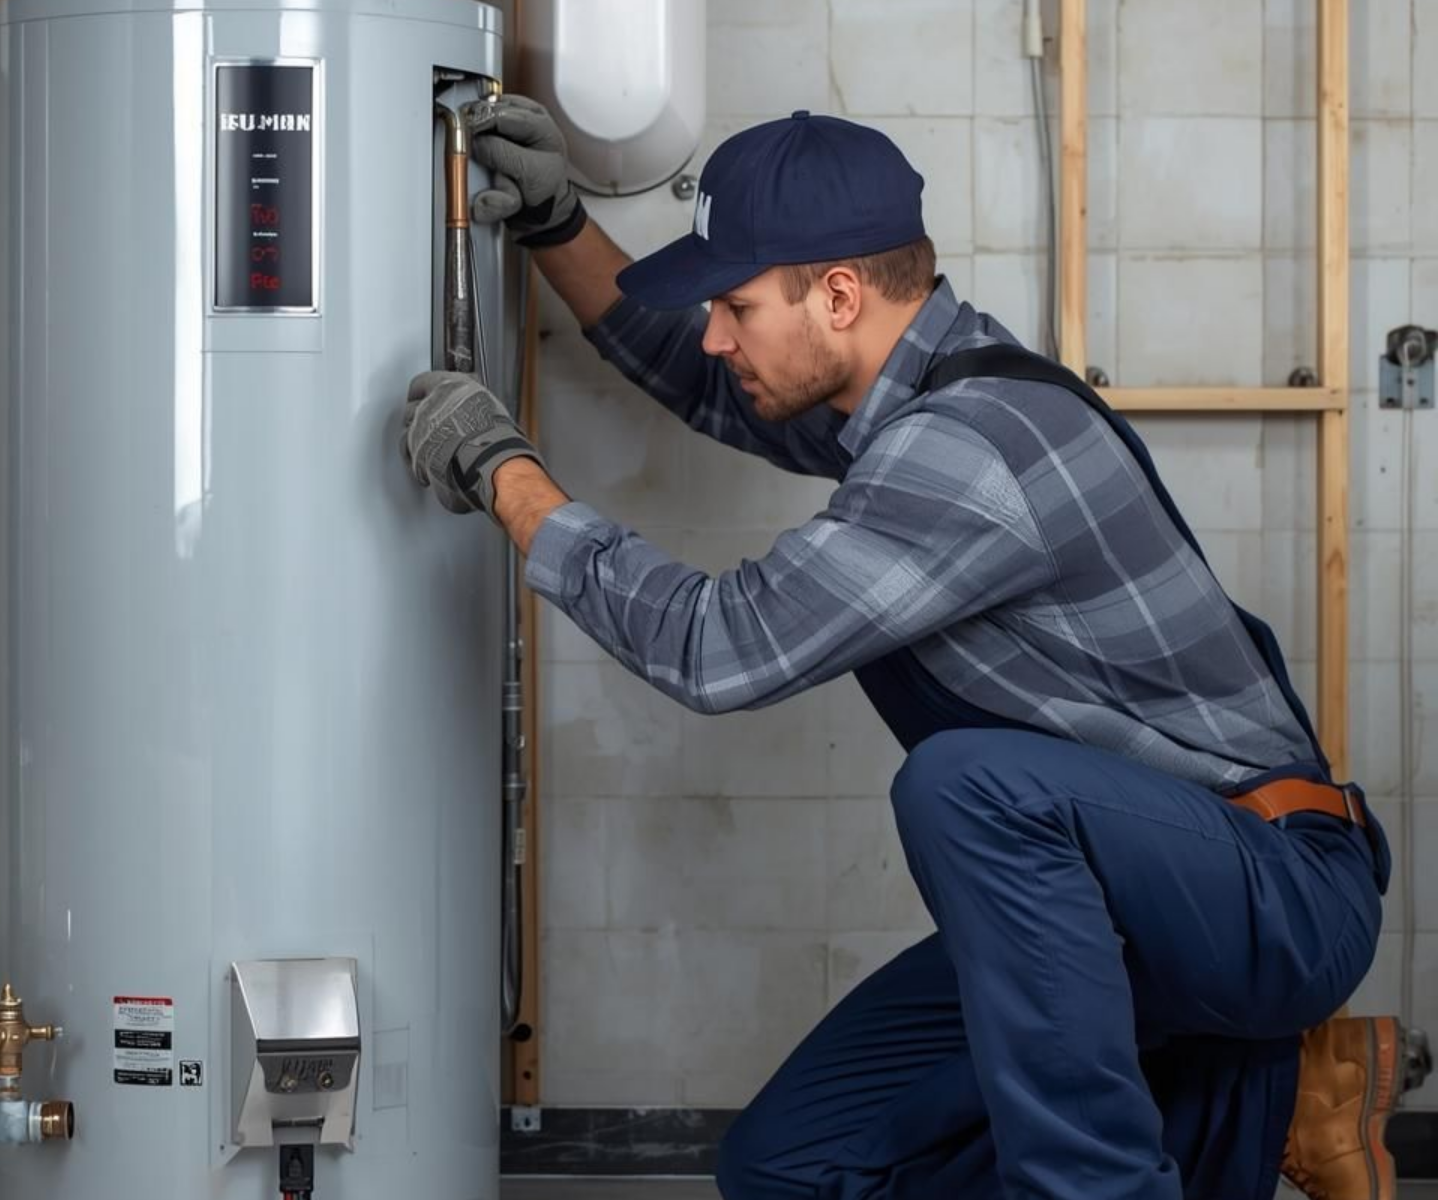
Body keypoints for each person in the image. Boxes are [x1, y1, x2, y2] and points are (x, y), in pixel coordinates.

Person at [399, 98, 1407, 1200]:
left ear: (837, 295)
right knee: (786, 1167)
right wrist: (558, 226)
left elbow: (716, 646)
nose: (719, 334)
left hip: (1271, 894)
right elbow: (702, 378)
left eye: (735, 304)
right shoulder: (914, 387)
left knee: (969, 787)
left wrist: (503, 472)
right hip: (1132, 900)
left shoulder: (961, 450)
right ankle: (1269, 1109)